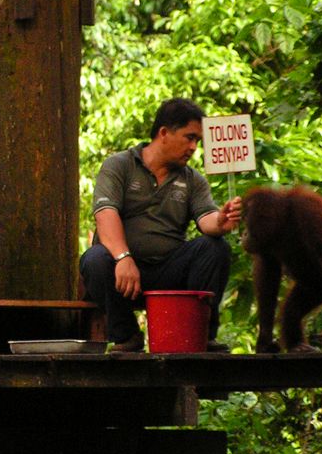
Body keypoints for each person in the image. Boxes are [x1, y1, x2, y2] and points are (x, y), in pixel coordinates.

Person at [80, 98, 241, 352]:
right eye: (189, 137)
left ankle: (201, 334)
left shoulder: (192, 180)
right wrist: (123, 257)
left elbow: (206, 220)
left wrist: (221, 221)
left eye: (197, 141)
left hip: (169, 270)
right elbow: (105, 213)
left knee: (214, 247)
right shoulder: (119, 165)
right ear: (164, 133)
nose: (193, 147)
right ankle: (127, 336)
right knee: (95, 259)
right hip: (122, 271)